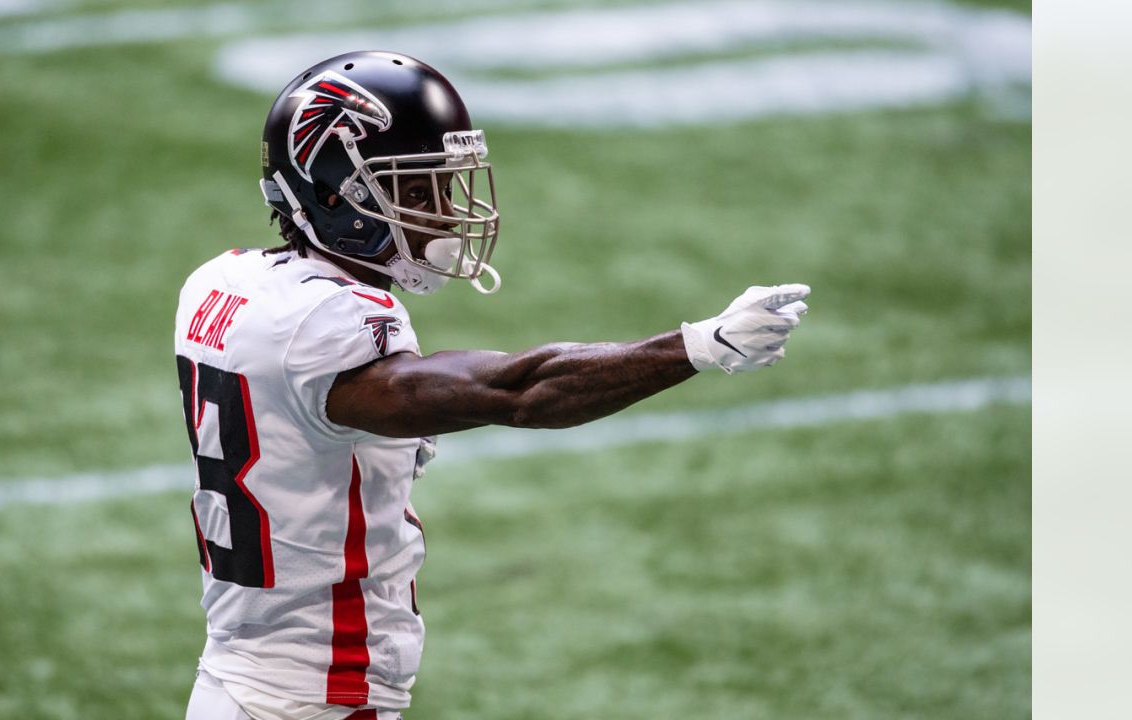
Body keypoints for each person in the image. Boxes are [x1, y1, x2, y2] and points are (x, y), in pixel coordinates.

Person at [176, 50, 810, 720]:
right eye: (414, 192)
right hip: (309, 697)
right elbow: (520, 392)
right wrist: (694, 346)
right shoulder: (328, 329)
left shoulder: (221, 286)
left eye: (443, 185)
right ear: (335, 196)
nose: (446, 214)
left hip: (236, 680)